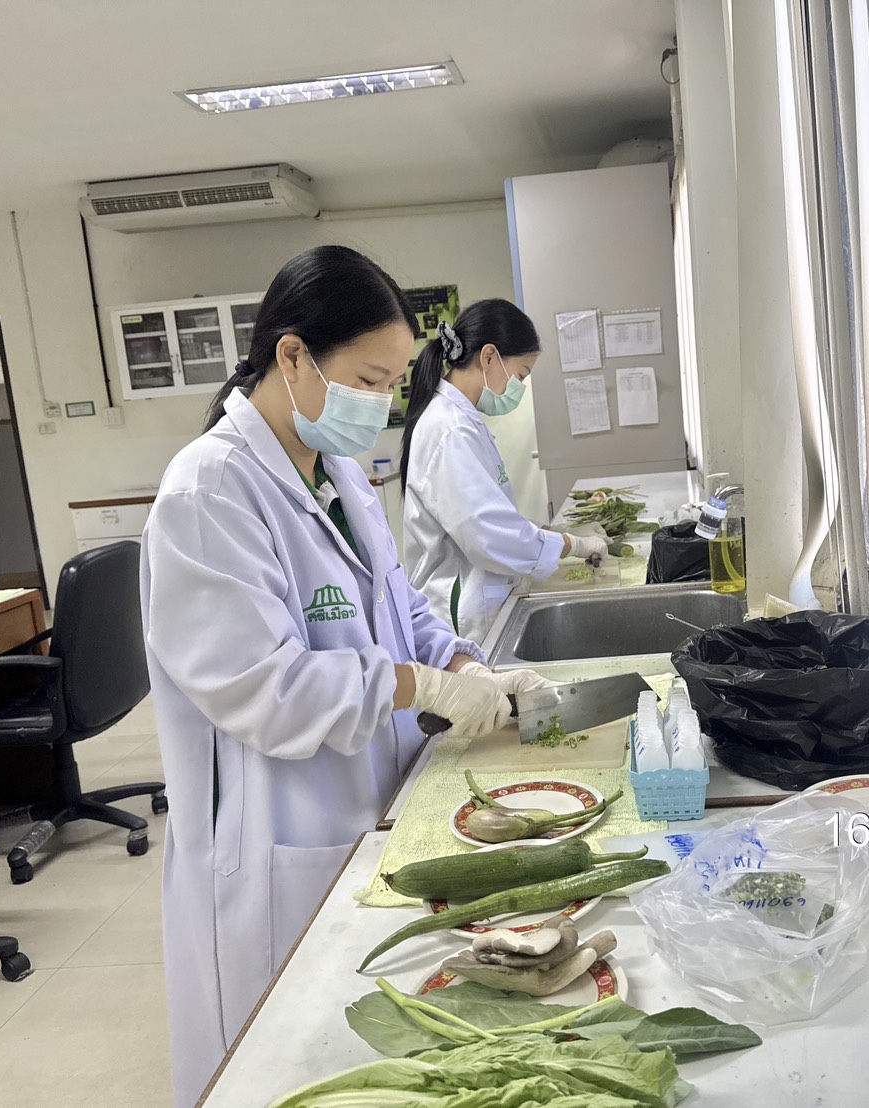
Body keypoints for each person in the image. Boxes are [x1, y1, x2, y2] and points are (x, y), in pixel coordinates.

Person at [140, 247, 542, 1107]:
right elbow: (265, 690)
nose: (382, 404)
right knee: (282, 1069)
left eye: (393, 384)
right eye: (367, 379)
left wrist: (464, 662)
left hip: (367, 804)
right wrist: (421, 688)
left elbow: (401, 604)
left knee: (364, 1056)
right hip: (279, 835)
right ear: (292, 356)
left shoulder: (343, 476)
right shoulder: (208, 492)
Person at [400, 299, 608, 642]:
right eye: (520, 374)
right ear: (488, 357)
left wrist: (553, 532)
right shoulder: (450, 429)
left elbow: (491, 515)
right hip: (462, 614)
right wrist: (573, 544)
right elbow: (488, 535)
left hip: (481, 602)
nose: (517, 388)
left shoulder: (463, 421)